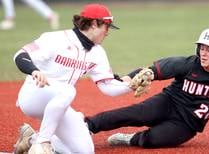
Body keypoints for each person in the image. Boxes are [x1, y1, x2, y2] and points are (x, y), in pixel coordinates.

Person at [84, 28, 209, 148]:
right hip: (167, 103)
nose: (203, 53)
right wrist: (125, 79)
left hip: (187, 125)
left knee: (153, 141)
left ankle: (129, 139)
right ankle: (88, 125)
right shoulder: (188, 64)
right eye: (202, 48)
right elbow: (149, 72)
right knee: (133, 113)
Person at [13, 3, 133, 154]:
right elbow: (20, 55)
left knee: (84, 151)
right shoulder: (56, 38)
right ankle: (42, 143)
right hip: (34, 95)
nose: (108, 32)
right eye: (107, 26)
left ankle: (31, 139)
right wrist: (34, 70)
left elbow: (108, 87)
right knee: (68, 90)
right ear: (95, 24)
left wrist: (132, 86)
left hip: (60, 104)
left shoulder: (98, 53)